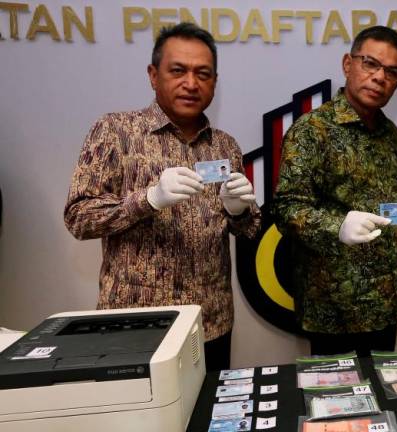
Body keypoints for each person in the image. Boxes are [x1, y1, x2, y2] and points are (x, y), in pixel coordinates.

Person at [64, 23, 261, 371]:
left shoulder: (225, 145)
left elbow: (249, 230)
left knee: (210, 421)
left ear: (214, 82)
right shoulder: (115, 131)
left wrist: (239, 211)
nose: (191, 83)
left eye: (203, 73)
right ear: (154, 75)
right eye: (178, 71)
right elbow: (79, 217)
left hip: (210, 323)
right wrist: (148, 199)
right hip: (137, 326)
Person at [272, 26, 397, 356]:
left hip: (383, 301)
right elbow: (286, 209)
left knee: (387, 398)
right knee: (338, 405)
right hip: (333, 308)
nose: (379, 77)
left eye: (391, 71)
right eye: (370, 64)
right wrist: (337, 226)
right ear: (348, 64)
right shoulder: (312, 130)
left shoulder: (391, 134)